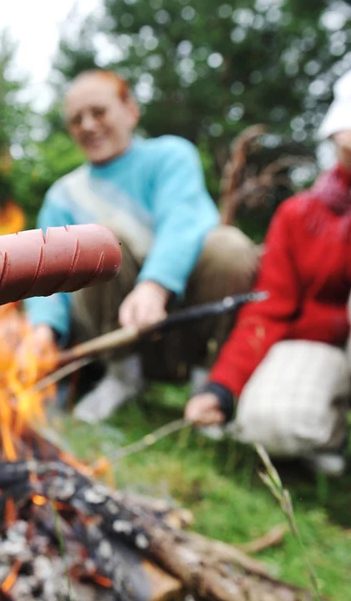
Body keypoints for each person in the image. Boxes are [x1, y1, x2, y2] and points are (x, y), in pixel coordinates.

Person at [184, 57, 351, 558]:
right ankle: (326, 436)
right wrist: (224, 387)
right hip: (317, 349)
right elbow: (269, 309)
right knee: (268, 424)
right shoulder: (298, 215)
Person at [22, 70, 258, 424]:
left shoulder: (171, 157)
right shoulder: (62, 196)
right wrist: (43, 329)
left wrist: (155, 285)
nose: (87, 125)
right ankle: (121, 377)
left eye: (99, 112)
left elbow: (184, 221)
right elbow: (43, 272)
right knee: (97, 238)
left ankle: (207, 387)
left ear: (130, 110)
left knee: (229, 246)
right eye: (76, 119)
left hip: (176, 321)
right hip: (107, 335)